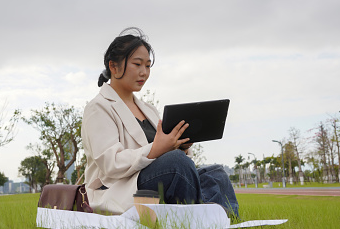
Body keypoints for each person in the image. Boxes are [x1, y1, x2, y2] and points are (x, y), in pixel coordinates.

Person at [81, 27, 239, 216]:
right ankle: (202, 218)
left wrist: (179, 145)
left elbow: (167, 155)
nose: (144, 72)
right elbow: (111, 164)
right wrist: (157, 149)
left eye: (148, 66)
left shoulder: (148, 109)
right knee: (176, 163)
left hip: (153, 177)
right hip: (117, 187)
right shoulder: (98, 107)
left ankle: (225, 222)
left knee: (215, 173)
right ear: (114, 67)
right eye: (137, 64)